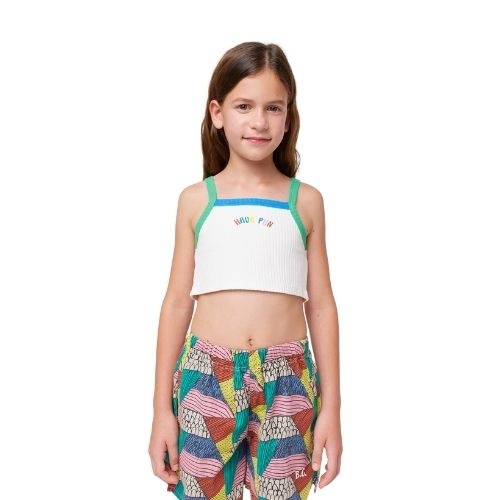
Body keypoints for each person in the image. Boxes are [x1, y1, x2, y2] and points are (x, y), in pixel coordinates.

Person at [148, 41, 342, 500]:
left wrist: (332, 408)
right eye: (244, 106)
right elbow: (176, 304)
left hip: (288, 379)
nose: (259, 121)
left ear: (289, 117)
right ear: (217, 113)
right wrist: (160, 411)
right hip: (206, 375)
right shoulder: (197, 200)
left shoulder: (305, 201)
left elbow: (322, 306)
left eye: (273, 108)